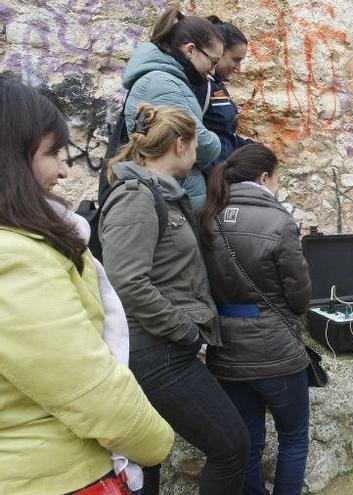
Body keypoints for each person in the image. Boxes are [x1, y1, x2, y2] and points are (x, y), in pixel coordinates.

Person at [0, 79, 174, 494]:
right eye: (51, 153)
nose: (63, 169)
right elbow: (87, 389)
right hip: (57, 476)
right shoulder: (13, 256)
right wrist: (156, 444)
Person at [100, 103, 250, 495]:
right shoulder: (135, 196)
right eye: (196, 145)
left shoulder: (163, 196)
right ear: (181, 144)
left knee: (148, 459)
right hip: (156, 350)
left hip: (164, 347)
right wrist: (186, 331)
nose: (200, 154)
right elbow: (127, 283)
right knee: (231, 446)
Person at [199, 144, 312, 495]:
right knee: (293, 438)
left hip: (226, 351)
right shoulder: (279, 221)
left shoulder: (207, 216)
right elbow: (299, 297)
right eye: (276, 179)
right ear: (264, 177)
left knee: (248, 441)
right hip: (276, 352)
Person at [121, 7, 224, 212]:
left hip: (172, 195)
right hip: (167, 201)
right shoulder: (162, 83)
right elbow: (199, 143)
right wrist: (216, 140)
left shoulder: (169, 80)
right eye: (212, 61)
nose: (212, 71)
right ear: (190, 50)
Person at [194, 16, 255, 178]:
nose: (238, 68)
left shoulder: (216, 86)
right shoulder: (201, 87)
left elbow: (226, 136)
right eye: (236, 60)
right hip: (211, 180)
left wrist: (254, 149)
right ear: (219, 52)